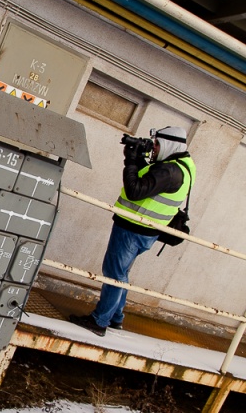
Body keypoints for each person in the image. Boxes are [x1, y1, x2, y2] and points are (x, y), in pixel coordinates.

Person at [69, 126, 196, 336]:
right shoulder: (179, 166)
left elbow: (135, 190)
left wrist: (130, 160)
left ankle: (99, 321)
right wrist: (139, 160)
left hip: (133, 229)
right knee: (122, 273)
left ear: (169, 145)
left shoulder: (169, 171)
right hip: (144, 229)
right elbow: (150, 182)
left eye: (157, 144)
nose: (153, 148)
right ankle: (116, 318)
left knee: (114, 274)